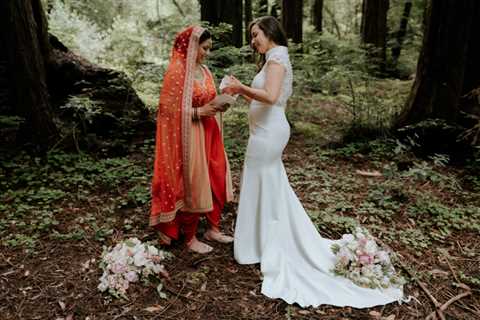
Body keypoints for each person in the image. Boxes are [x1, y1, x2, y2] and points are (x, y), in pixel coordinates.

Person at [222, 16, 403, 308]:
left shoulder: (277, 59)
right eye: (251, 36)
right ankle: (258, 241)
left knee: (265, 181)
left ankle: (266, 243)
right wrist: (239, 93)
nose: (253, 40)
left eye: (256, 34)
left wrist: (241, 87)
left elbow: (269, 97)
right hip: (265, 131)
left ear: (270, 33)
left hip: (269, 134)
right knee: (268, 183)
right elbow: (264, 99)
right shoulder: (271, 59)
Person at [150, 26, 234, 254]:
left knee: (216, 174)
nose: (207, 53)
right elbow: (168, 112)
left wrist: (225, 98)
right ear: (191, 45)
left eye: (209, 49)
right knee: (194, 182)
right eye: (204, 48)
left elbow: (210, 99)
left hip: (210, 131)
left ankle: (213, 228)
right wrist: (198, 113)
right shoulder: (177, 72)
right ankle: (189, 237)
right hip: (190, 135)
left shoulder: (204, 70)